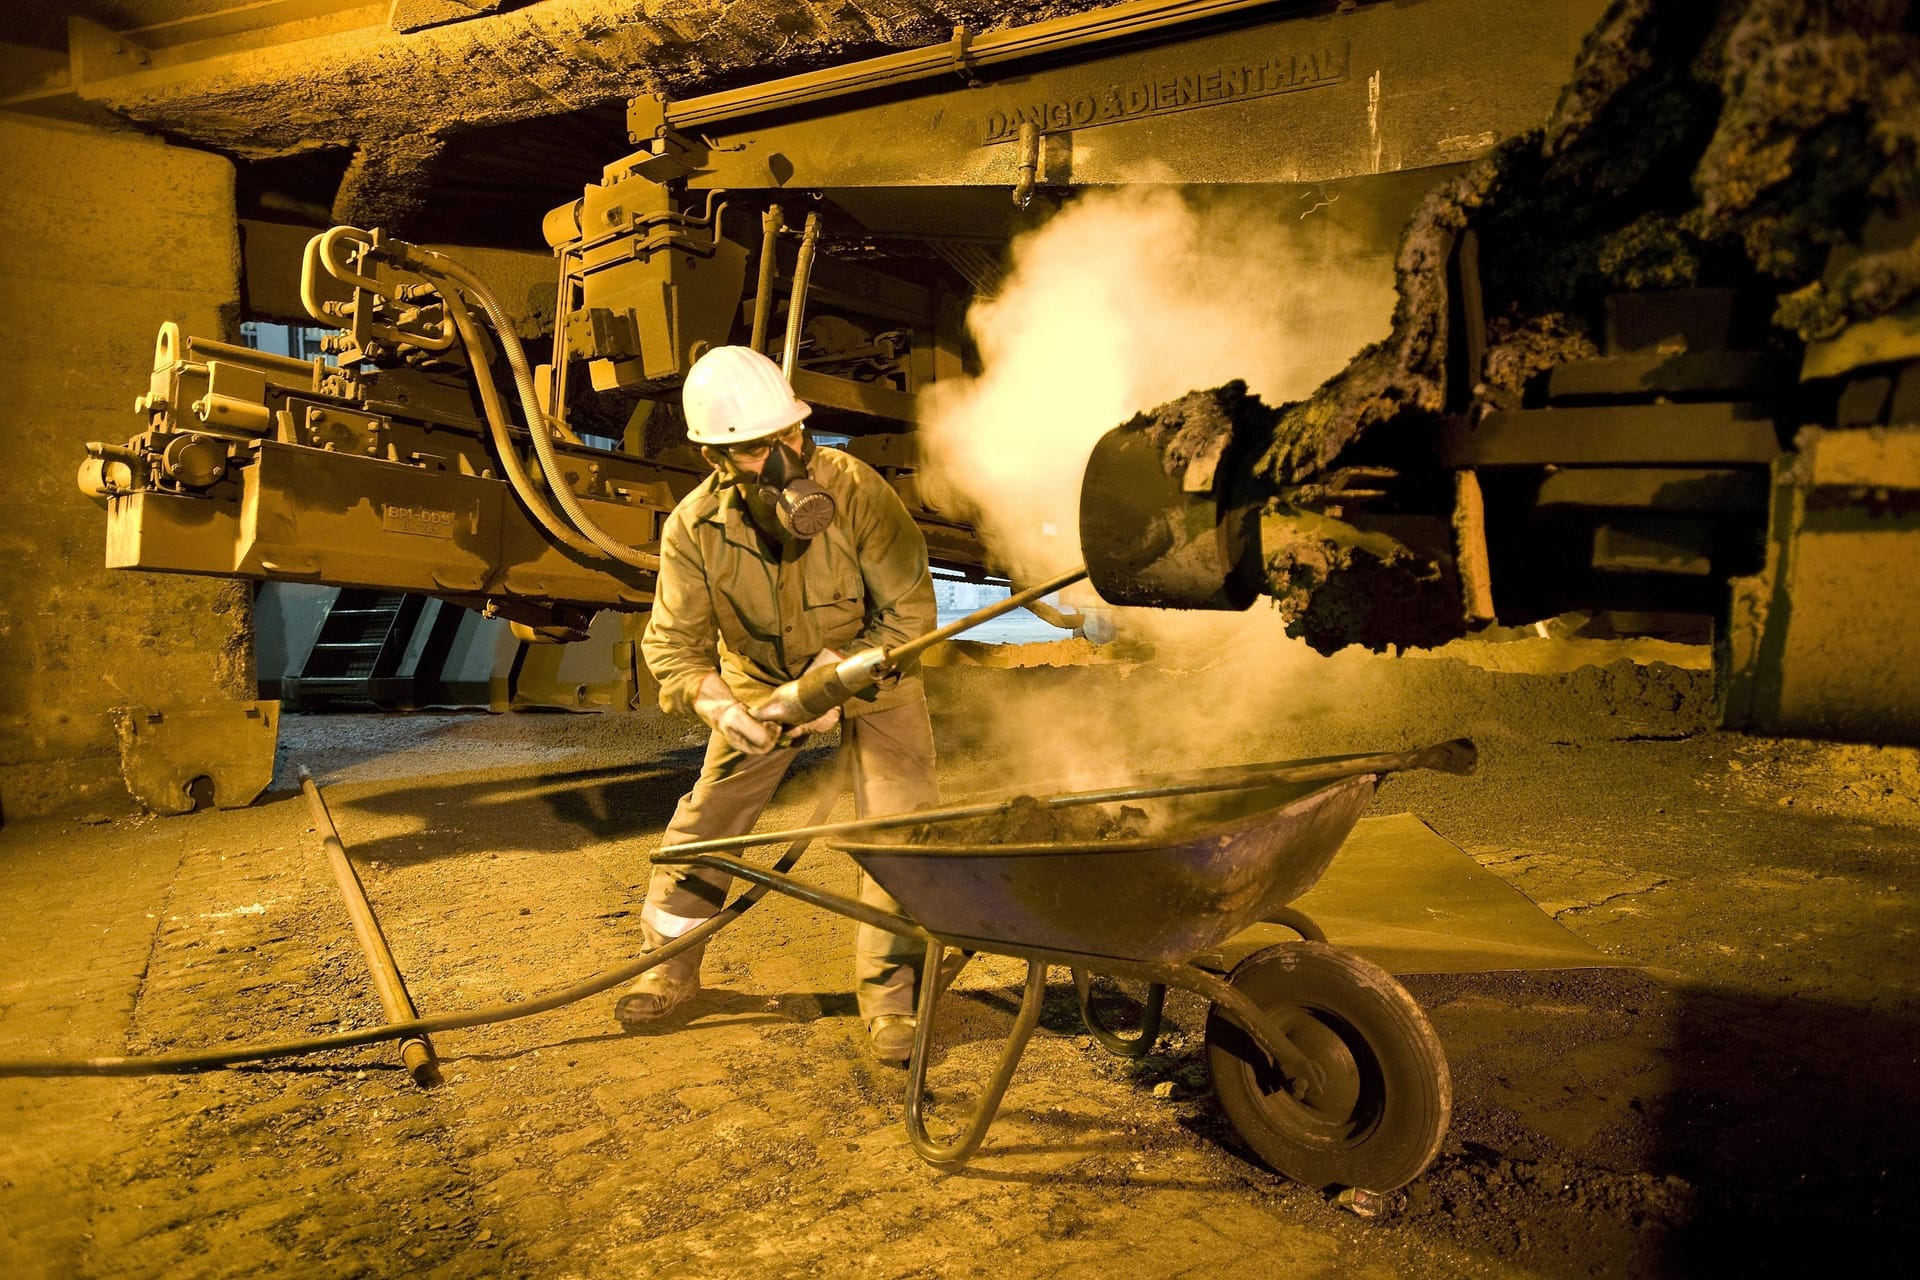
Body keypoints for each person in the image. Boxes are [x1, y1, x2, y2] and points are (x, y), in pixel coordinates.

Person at [619, 344, 940, 1064]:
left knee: (901, 825)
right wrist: (722, 709)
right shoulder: (693, 530)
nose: (785, 459)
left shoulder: (853, 489)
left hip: (876, 676)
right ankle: (666, 969)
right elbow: (673, 646)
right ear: (715, 458)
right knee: (707, 823)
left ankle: (894, 1006)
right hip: (759, 686)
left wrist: (837, 677)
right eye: (759, 448)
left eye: (791, 437)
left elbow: (911, 613)